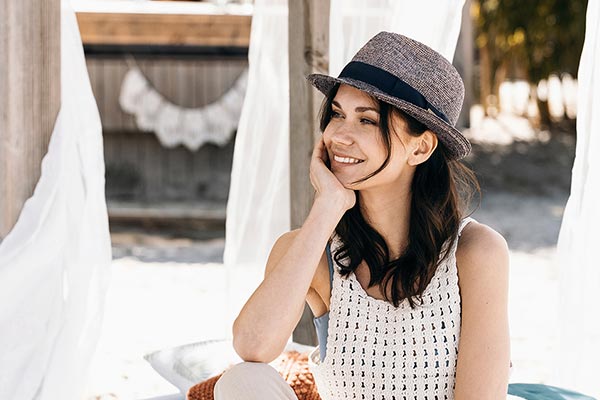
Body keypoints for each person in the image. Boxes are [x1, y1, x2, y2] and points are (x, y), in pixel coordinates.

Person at [215, 32, 511, 399]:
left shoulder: (475, 253)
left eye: (367, 120)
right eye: (337, 114)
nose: (339, 134)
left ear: (420, 147)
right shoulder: (310, 251)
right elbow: (252, 346)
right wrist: (326, 209)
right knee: (243, 381)